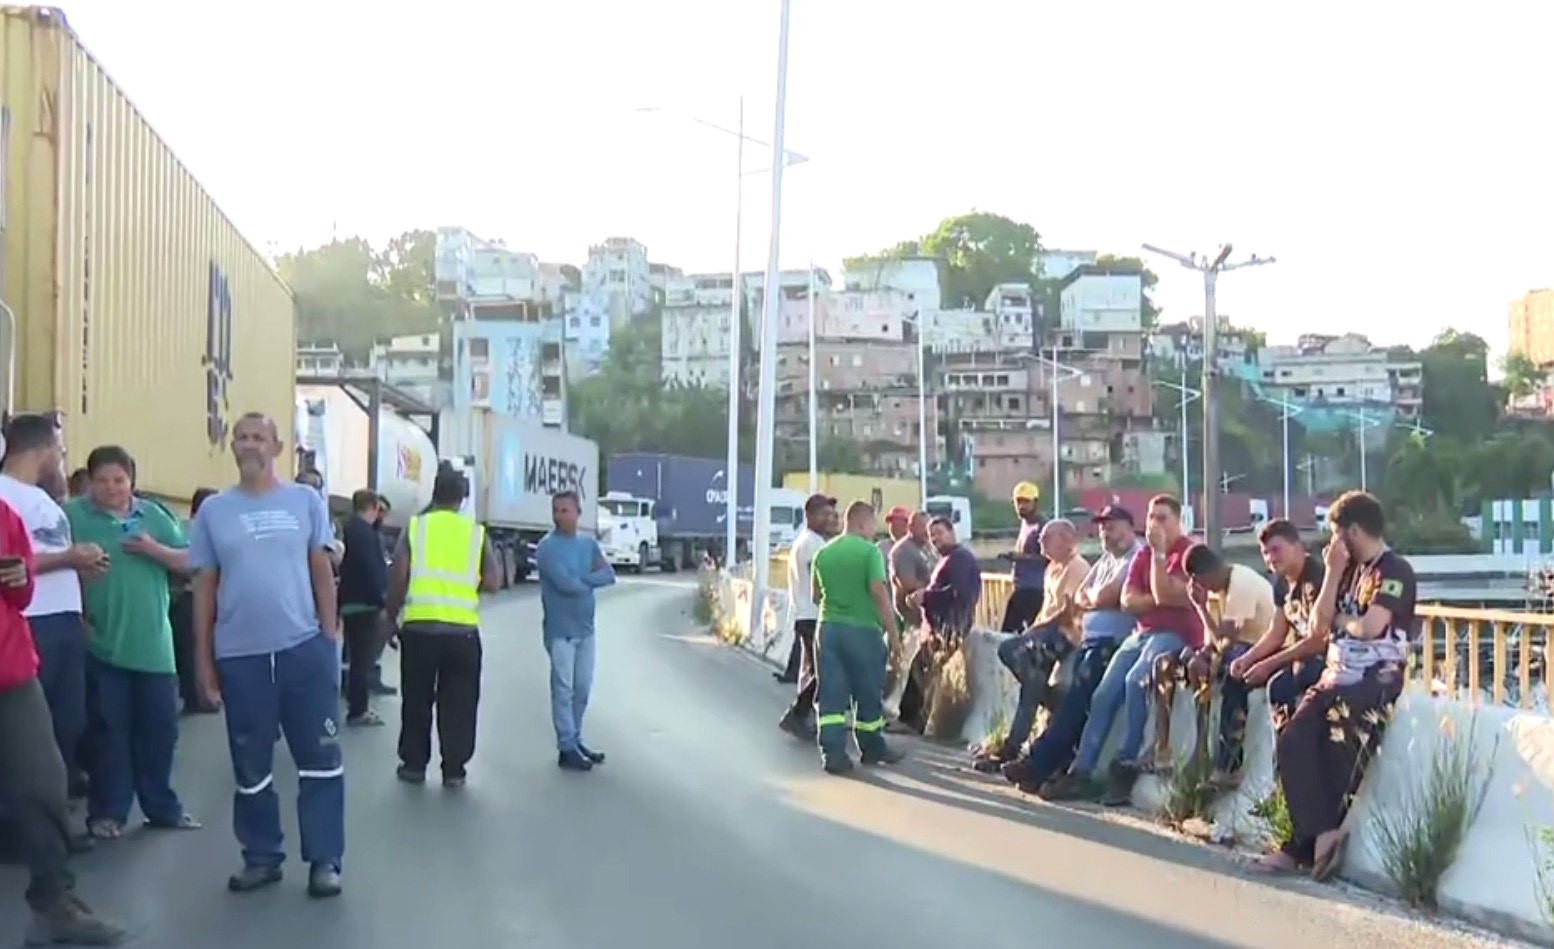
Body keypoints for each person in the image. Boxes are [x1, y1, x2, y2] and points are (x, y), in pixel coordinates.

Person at [189, 412, 344, 898]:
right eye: (241, 437)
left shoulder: (304, 500)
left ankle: (325, 861)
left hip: (303, 651)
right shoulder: (214, 511)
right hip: (241, 657)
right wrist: (203, 661)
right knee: (250, 765)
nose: (249, 444)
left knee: (320, 760)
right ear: (232, 448)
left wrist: (328, 636)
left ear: (278, 447)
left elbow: (321, 568)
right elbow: (204, 587)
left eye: (259, 437)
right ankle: (261, 856)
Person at [1255, 490, 1416, 881]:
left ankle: (1302, 848)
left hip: (1374, 677)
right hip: (1334, 673)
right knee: (1293, 739)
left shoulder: (1392, 570)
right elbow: (1315, 625)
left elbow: (1370, 627)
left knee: (1334, 745)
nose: (1331, 545)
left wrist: (1341, 624)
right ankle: (1321, 834)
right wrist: (1330, 573)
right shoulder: (1344, 570)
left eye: (1336, 535)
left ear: (1354, 532)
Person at [0, 492, 127, 944]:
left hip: (10, 670)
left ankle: (53, 902)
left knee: (44, 781)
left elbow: (21, 592)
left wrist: (19, 576)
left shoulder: (4, 515)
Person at [65, 446, 200, 840]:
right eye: (102, 481)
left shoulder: (153, 516)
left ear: (132, 481)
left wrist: (153, 549)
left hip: (154, 646)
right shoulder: (72, 516)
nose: (111, 489)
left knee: (160, 732)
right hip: (101, 645)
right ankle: (108, 812)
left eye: (119, 481)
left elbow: (191, 561)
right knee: (109, 734)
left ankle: (162, 807)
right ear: (89, 482)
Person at [1043, 494, 1204, 806]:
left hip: (1176, 634)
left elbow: (1170, 595)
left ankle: (1126, 761)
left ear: (1178, 520)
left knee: (1135, 682)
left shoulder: (1186, 553)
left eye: (1162, 518)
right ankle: (1083, 770)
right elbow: (1129, 600)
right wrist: (1158, 595)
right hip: (1141, 632)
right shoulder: (1143, 556)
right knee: (1104, 695)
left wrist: (1159, 563)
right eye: (1151, 517)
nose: (1155, 524)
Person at [0, 413, 105, 800]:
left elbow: (50, 555)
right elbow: (11, 567)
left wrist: (81, 570)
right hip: (30, 623)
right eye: (58, 449)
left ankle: (53, 820)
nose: (61, 457)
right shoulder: (4, 495)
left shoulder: (43, 498)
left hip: (64, 622)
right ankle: (22, 826)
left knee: (67, 723)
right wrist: (68, 560)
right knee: (30, 734)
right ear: (42, 449)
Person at [1003, 506, 1142, 796]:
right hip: (1089, 642)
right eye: (1102, 527)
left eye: (1112, 526)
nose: (1105, 532)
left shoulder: (1135, 557)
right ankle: (1049, 766)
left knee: (1077, 701)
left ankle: (1037, 763)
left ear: (1130, 527)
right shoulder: (1106, 560)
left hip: (1110, 643)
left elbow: (1104, 595)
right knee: (1069, 700)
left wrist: (1094, 598)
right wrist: (1095, 599)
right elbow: (1082, 596)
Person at [385, 470, 499, 786]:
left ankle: (413, 765)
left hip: (420, 629)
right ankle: (454, 769)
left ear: (434, 494)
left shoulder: (416, 528)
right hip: (462, 632)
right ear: (462, 499)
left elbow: (398, 576)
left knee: (417, 699)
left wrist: (391, 614)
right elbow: (492, 582)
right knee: (460, 703)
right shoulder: (476, 533)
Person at [976, 519, 1088, 771]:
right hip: (1047, 633)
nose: (1041, 542)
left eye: (1048, 537)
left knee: (1015, 656)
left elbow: (1066, 613)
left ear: (1068, 539)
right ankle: (1019, 739)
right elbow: (1046, 609)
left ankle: (1014, 745)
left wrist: (1034, 631)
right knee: (1029, 681)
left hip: (1066, 637)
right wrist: (1033, 630)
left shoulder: (1077, 567)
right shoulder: (1051, 569)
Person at [810, 500, 903, 775]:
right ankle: (872, 748)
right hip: (863, 631)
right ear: (863, 523)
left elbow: (816, 596)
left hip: (827, 629)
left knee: (831, 695)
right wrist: (893, 635)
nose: (875, 532)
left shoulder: (823, 553)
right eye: (873, 525)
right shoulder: (869, 552)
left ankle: (833, 755)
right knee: (867, 692)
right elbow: (879, 592)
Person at [1182, 542, 1277, 787]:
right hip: (1241, 648)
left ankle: (1229, 764)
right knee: (1184, 659)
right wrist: (1201, 653)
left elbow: (1228, 640)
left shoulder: (1241, 582)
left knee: (1232, 671)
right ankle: (1198, 752)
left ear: (1202, 577)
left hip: (1266, 647)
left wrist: (1201, 608)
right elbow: (1214, 641)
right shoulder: (1216, 592)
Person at [535, 489, 615, 772]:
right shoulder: (546, 548)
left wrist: (584, 580)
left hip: (586, 627)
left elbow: (609, 575)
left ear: (578, 512)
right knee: (564, 687)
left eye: (564, 510)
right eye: (555, 510)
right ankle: (566, 746)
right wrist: (587, 581)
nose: (559, 516)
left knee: (582, 687)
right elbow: (566, 585)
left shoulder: (587, 544)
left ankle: (576, 738)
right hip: (560, 630)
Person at [1229, 519, 1328, 721]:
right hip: (1299, 651)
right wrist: (1248, 659)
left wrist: (1268, 665)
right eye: (1265, 553)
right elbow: (1276, 633)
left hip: (1324, 654)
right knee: (1235, 679)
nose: (1270, 558)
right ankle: (1232, 748)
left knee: (1283, 685)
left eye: (1276, 550)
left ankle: (1292, 747)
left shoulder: (1316, 578)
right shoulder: (1281, 583)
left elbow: (1318, 640)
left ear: (1297, 546)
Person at [778, 494, 835, 740]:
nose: (829, 519)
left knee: (814, 670)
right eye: (823, 514)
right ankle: (797, 714)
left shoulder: (811, 541)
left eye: (830, 514)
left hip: (806, 614)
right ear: (810, 516)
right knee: (823, 671)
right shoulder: (812, 543)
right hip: (812, 614)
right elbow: (820, 579)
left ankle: (804, 714)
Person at [339, 490, 390, 727]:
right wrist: (382, 601)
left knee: (356, 657)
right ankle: (359, 710)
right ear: (372, 506)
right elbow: (372, 570)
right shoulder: (366, 534)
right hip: (365, 603)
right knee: (363, 659)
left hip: (350, 601)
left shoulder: (350, 529)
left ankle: (355, 703)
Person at [170, 488, 220, 714]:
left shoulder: (188, 527)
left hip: (195, 594)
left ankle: (199, 692)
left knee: (198, 646)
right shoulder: (192, 528)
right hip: (189, 595)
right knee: (194, 646)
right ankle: (197, 696)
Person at [909, 516, 982, 645]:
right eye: (932, 535)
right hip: (939, 629)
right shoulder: (947, 558)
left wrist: (926, 597)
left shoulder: (960, 557)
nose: (935, 538)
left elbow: (959, 593)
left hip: (951, 628)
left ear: (952, 533)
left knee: (920, 665)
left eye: (940, 533)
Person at [999, 482, 1047, 633]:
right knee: (1014, 633)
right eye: (1018, 502)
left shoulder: (1043, 526)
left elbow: (1048, 557)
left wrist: (1019, 557)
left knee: (1012, 633)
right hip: (1022, 586)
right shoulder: (1025, 524)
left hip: (1035, 588)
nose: (1021, 506)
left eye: (1026, 502)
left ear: (1036, 503)